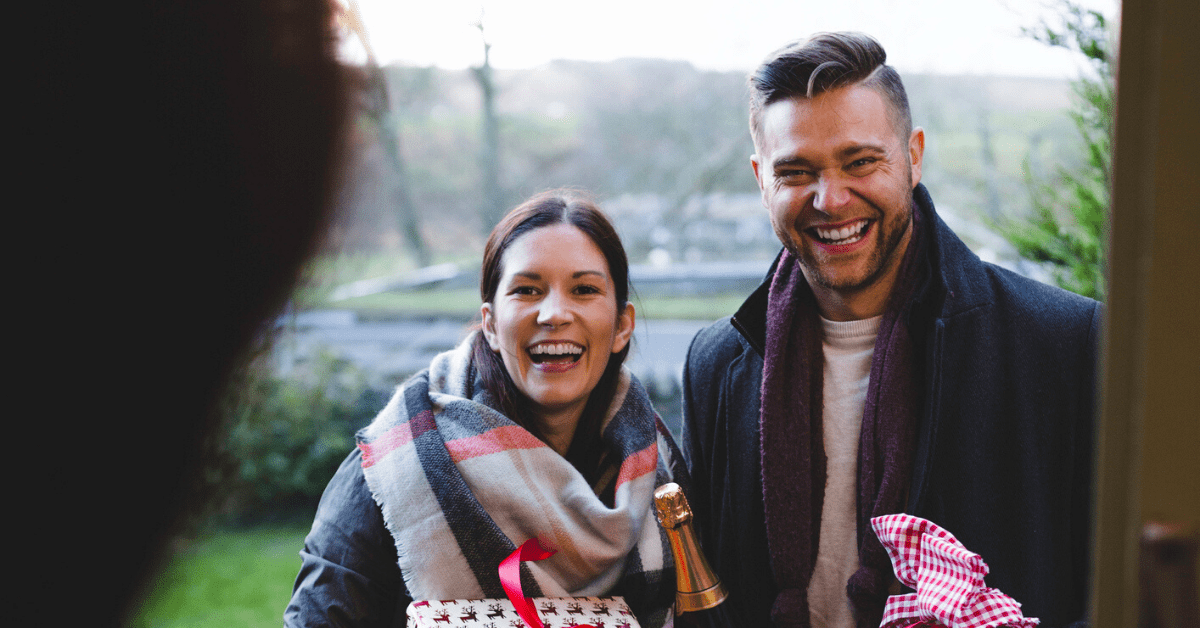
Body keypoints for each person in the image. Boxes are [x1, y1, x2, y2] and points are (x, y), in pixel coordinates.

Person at [681, 32, 1099, 628]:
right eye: (796, 171)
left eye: (860, 162)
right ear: (760, 178)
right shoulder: (717, 364)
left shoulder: (1063, 343)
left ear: (913, 155)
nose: (831, 199)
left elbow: (1118, 589)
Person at [286, 190, 682, 628]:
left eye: (584, 289)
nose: (554, 314)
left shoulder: (662, 476)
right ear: (491, 325)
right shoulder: (397, 466)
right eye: (527, 290)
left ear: (622, 326)